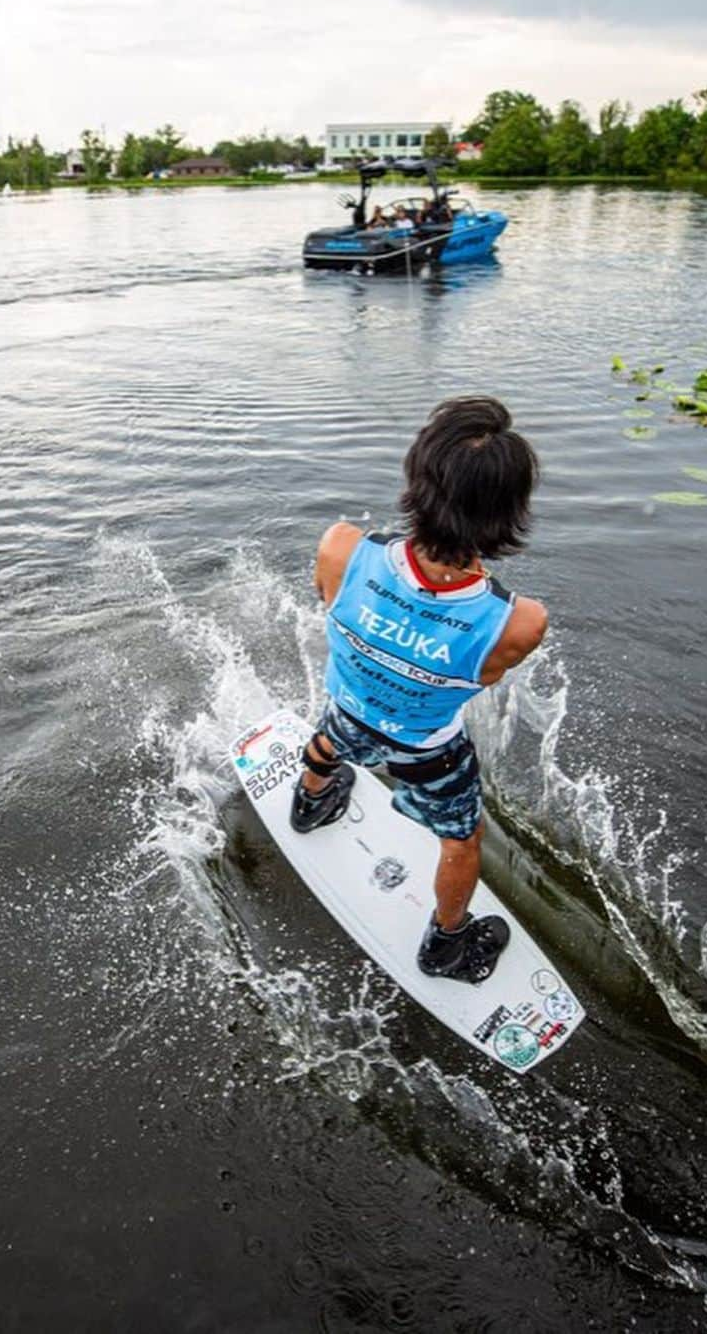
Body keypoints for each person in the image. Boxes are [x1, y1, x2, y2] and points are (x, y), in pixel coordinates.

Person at [290, 397, 547, 984]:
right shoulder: (516, 619)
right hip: (427, 747)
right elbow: (485, 677)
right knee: (461, 839)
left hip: (348, 705)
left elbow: (325, 599)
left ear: (417, 476)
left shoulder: (342, 546)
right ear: (510, 512)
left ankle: (309, 803)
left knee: (334, 737)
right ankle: (447, 946)